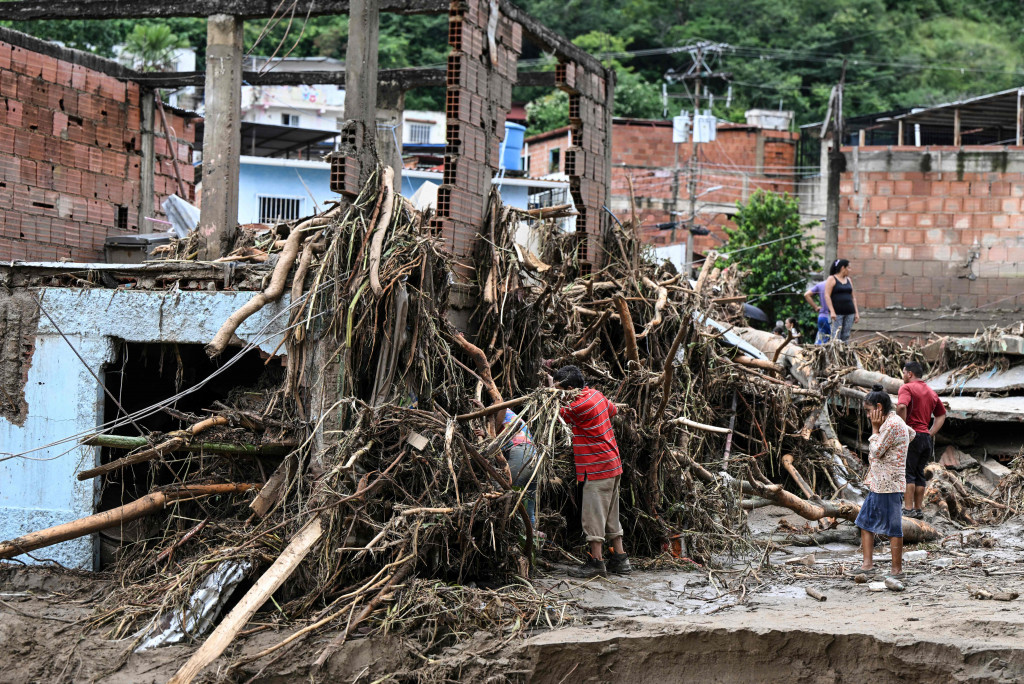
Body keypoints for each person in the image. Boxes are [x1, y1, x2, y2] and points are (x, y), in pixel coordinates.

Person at [553, 364, 631, 578]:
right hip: (613, 464)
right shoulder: (597, 395)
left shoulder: (578, 406)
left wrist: (554, 398)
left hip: (596, 467)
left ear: (569, 389)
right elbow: (613, 410)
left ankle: (596, 562)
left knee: (593, 516)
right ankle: (620, 559)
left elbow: (556, 414)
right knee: (611, 514)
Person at [854, 384, 913, 579]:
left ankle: (896, 571)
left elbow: (876, 451)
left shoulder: (890, 425)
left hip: (888, 484)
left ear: (879, 408)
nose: (868, 415)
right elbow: (911, 433)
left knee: (893, 528)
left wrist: (874, 429)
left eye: (869, 411)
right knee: (864, 522)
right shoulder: (894, 422)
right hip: (879, 483)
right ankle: (867, 564)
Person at [897, 360, 947, 519]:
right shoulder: (931, 392)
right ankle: (918, 510)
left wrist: (903, 428)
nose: (903, 376)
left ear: (909, 374)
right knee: (919, 473)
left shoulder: (907, 388)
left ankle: (908, 508)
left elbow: (901, 407)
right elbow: (941, 414)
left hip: (912, 435)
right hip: (925, 438)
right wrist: (930, 432)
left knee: (908, 473)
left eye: (904, 373)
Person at [503, 408, 539, 527]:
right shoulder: (513, 417)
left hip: (521, 455)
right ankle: (531, 536)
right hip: (534, 456)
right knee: (529, 505)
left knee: (507, 495)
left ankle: (514, 535)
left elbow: (497, 440)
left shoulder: (501, 413)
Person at [824, 259, 860, 342]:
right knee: (836, 336)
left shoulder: (849, 280)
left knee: (846, 335)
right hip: (837, 313)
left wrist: (856, 312)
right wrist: (832, 311)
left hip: (849, 312)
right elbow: (827, 296)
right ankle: (835, 354)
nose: (850, 270)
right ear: (843, 268)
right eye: (849, 268)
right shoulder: (832, 279)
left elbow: (853, 297)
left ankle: (844, 353)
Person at [803, 279, 832, 344]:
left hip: (822, 317)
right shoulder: (835, 284)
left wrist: (816, 307)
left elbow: (806, 294)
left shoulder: (820, 284)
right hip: (832, 317)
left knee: (821, 341)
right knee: (834, 341)